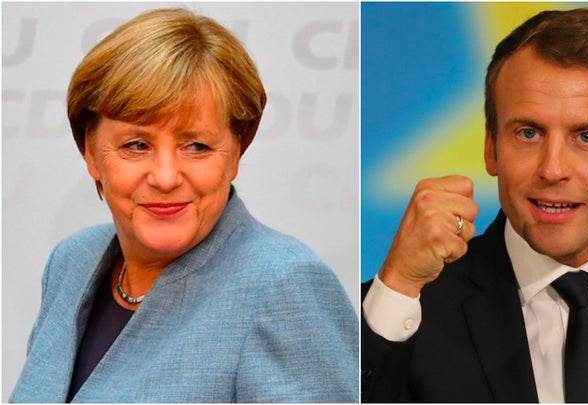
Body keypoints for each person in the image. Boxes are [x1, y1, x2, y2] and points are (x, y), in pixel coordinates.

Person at [361, 8, 588, 403]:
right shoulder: (406, 309)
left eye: (586, 137)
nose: (552, 169)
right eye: (528, 133)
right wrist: (398, 286)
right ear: (491, 147)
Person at [10, 8, 357, 403]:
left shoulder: (283, 287)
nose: (165, 176)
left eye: (196, 146)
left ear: (235, 154)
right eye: (136, 145)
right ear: (91, 152)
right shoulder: (71, 261)